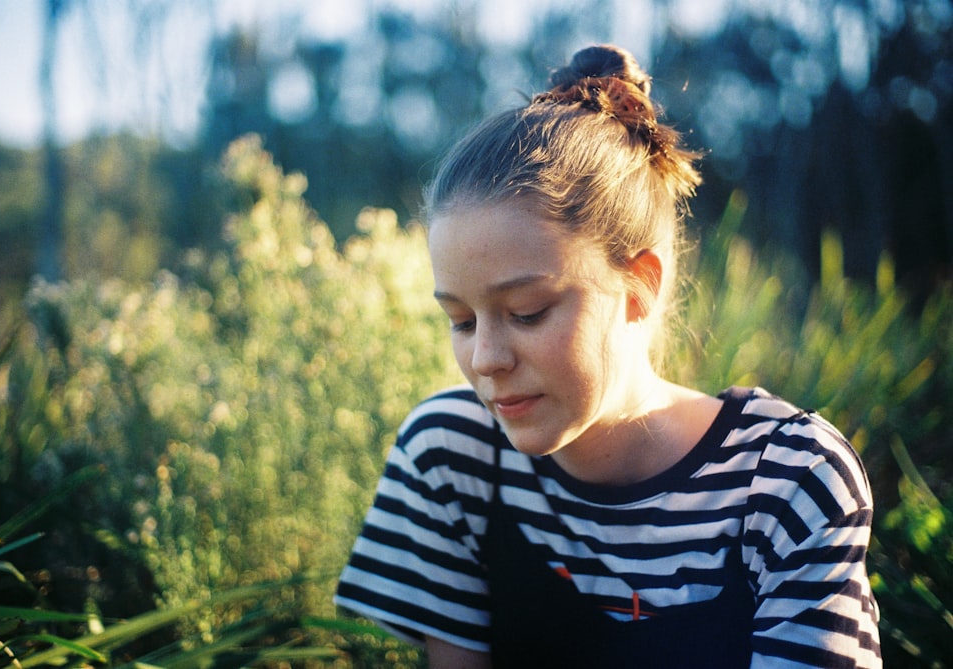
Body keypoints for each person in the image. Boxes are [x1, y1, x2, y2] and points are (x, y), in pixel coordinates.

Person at [336, 44, 881, 668]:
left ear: (639, 285)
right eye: (460, 320)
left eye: (528, 312)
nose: (485, 359)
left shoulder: (785, 480)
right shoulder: (453, 455)